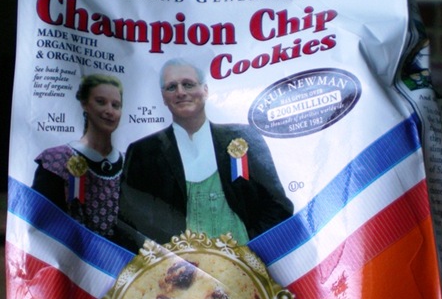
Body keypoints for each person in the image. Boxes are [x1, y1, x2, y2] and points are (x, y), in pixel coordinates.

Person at [116, 58, 293, 250]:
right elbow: (129, 221)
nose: (181, 92)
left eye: (188, 84)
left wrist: (251, 250)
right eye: (171, 87)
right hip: (178, 265)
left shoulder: (243, 137)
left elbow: (278, 206)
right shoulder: (143, 152)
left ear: (205, 90)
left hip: (245, 261)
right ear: (163, 97)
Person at [32, 74, 124, 239]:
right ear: (84, 104)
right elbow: (40, 226)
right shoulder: (56, 160)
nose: (109, 111)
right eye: (101, 102)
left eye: (115, 105)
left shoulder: (130, 163)